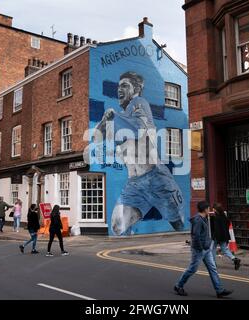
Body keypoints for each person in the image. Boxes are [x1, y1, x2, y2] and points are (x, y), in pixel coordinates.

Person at [94, 71, 185, 235]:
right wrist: (104, 120)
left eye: (124, 85)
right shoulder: (117, 116)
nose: (119, 89)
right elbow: (96, 138)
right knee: (117, 226)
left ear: (136, 88)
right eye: (118, 86)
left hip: (156, 177)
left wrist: (114, 118)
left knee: (178, 224)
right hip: (134, 184)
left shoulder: (139, 103)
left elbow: (138, 129)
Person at [174, 201, 233, 298]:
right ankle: (178, 286)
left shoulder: (204, 218)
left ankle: (219, 290)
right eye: (208, 208)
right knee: (192, 269)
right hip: (199, 250)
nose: (209, 210)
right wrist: (201, 248)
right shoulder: (198, 220)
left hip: (206, 249)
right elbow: (195, 236)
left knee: (213, 268)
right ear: (205, 209)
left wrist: (207, 245)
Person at [210, 203, 241, 270]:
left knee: (212, 249)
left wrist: (214, 237)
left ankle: (213, 263)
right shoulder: (225, 217)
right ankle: (235, 259)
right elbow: (227, 224)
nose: (213, 209)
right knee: (225, 250)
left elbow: (216, 229)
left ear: (215, 210)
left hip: (217, 237)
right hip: (224, 236)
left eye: (213, 208)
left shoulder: (216, 218)